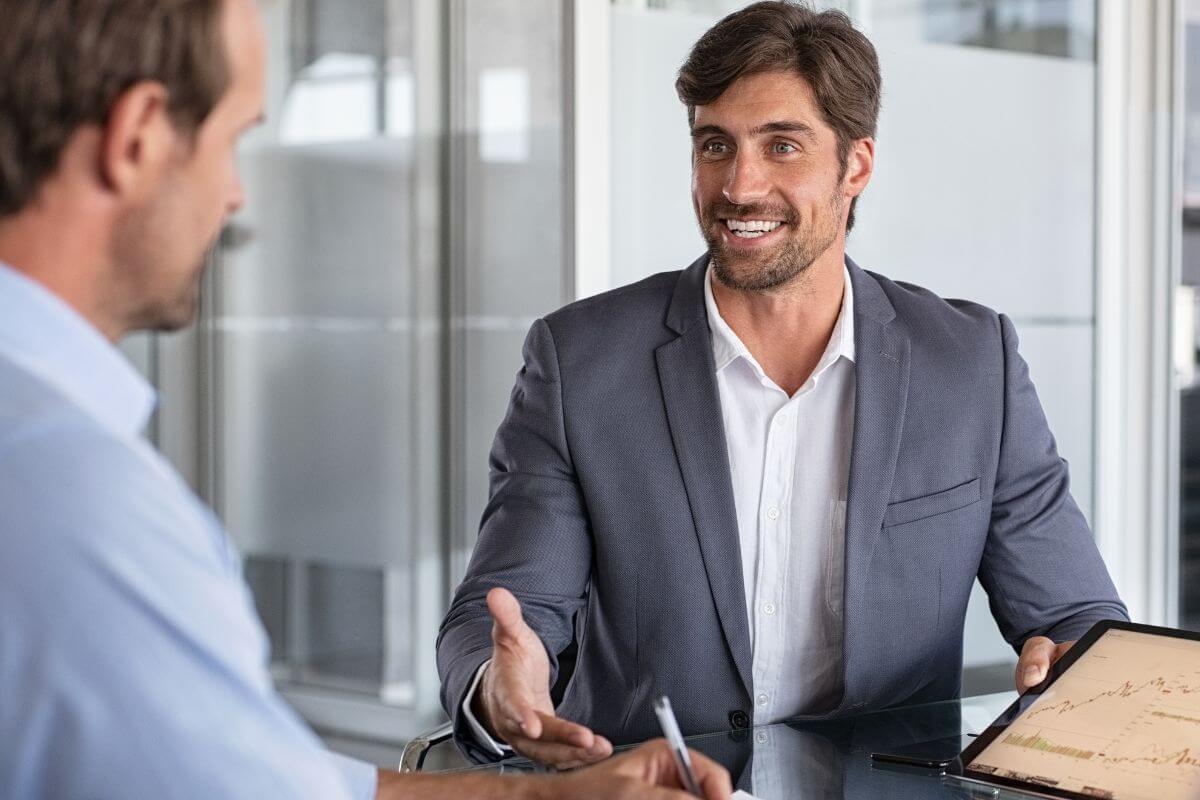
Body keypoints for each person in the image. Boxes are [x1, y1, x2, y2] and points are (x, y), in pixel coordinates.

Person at [0, 1, 733, 799]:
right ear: (138, 135)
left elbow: (255, 775)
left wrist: (548, 794)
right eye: (233, 139)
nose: (236, 195)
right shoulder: (71, 496)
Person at [436, 0, 1129, 769]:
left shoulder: (972, 364)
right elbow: (508, 610)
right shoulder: (580, 361)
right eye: (714, 145)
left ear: (856, 165)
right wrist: (502, 685)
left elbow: (1075, 615)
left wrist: (1071, 666)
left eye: (783, 146)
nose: (739, 185)